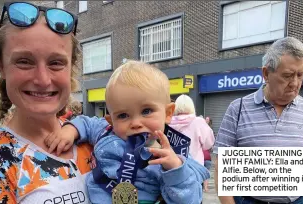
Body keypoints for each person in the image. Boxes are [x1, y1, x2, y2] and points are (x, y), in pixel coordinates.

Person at [0, 2, 93, 203]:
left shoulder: (90, 138)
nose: (43, 79)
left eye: (56, 63)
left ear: (71, 67)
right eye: (24, 61)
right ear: (1, 66)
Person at [47, 60, 210, 204]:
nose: (135, 123)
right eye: (123, 115)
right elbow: (86, 122)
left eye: (146, 111)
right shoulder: (106, 131)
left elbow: (190, 199)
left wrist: (175, 169)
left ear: (168, 113)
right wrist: (69, 130)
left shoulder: (171, 155)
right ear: (111, 121)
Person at [213, 37, 303, 204]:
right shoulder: (237, 109)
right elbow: (221, 167)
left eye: (301, 74)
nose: (295, 83)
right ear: (266, 73)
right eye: (288, 75)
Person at [169, 94, 215, 193]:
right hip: (194, 171)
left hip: (171, 170)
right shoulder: (198, 122)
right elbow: (209, 144)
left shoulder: (168, 123)